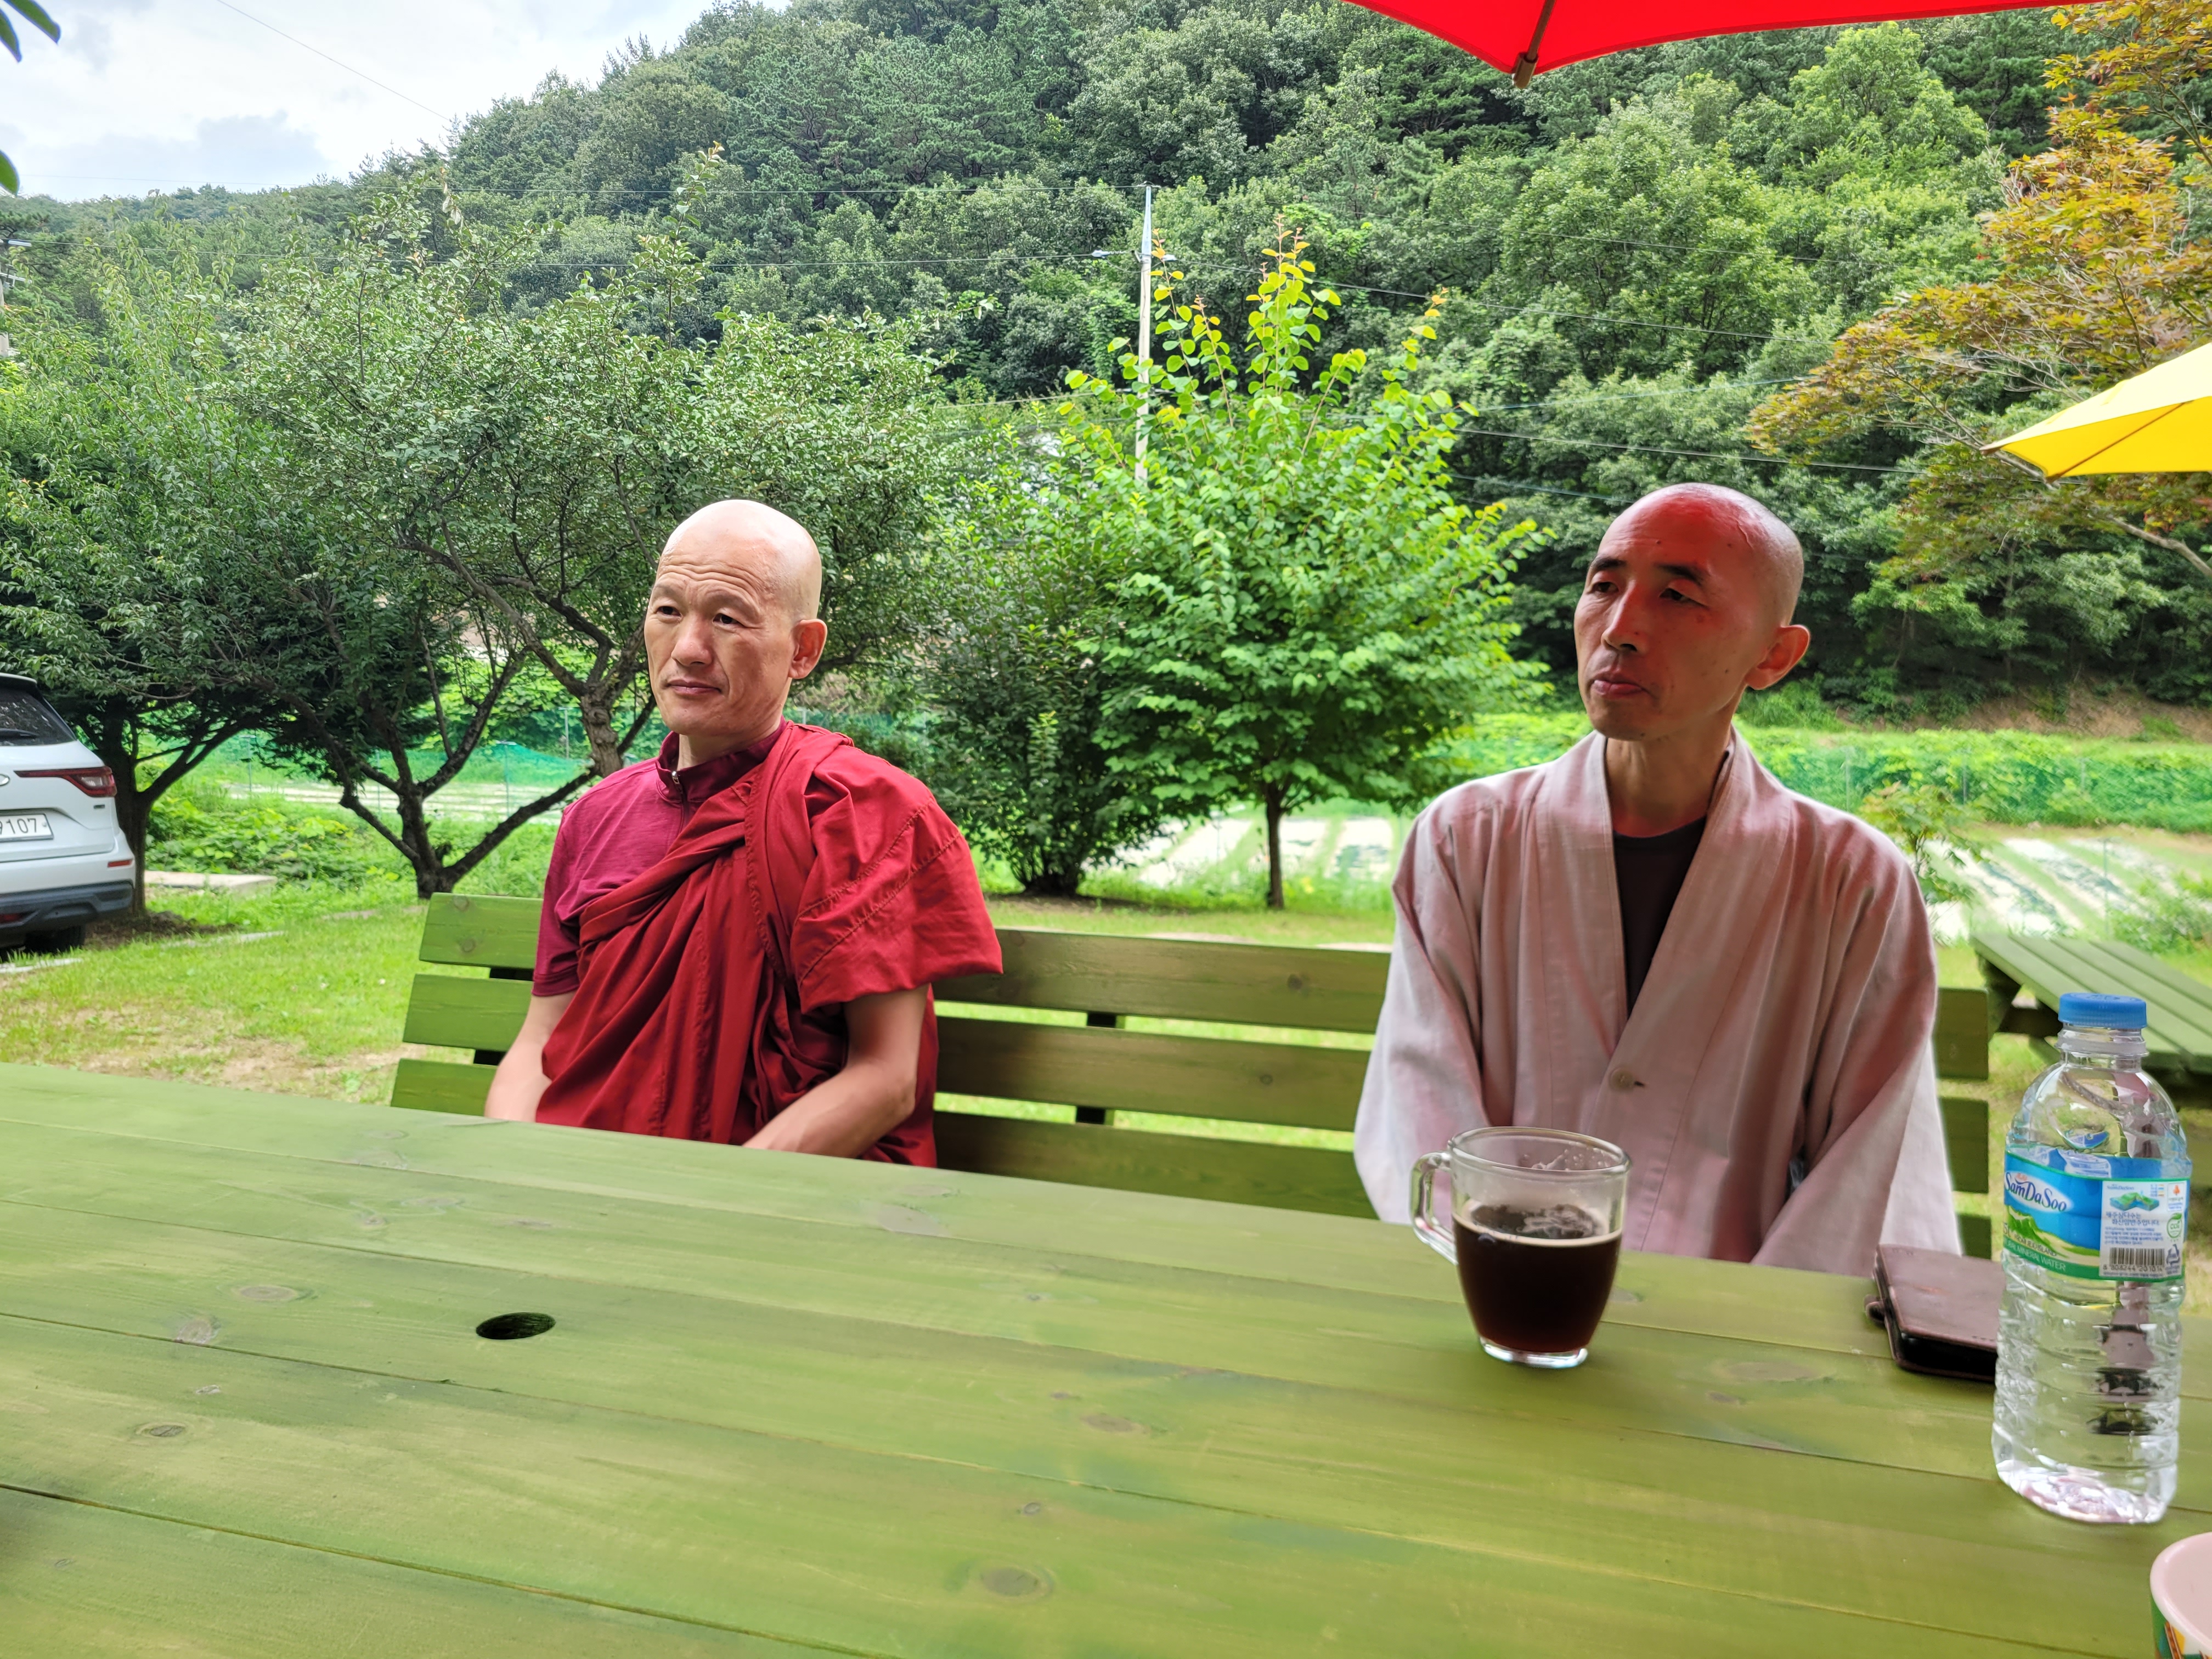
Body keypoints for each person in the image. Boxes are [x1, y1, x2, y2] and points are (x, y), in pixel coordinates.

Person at [1353, 483, 1956, 1274]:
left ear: (1774, 656)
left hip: (1735, 1324)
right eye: (1604, 586)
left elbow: (1867, 1175)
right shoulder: (1466, 840)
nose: (1620, 628)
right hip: (1498, 1292)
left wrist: (1739, 1332)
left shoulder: (1852, 882)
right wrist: (1515, 1283)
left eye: (1678, 596)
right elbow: (1421, 1104)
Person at [484, 499, 1001, 1163]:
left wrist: (712, 1198)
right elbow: (541, 1041)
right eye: (668, 611)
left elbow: (885, 1079)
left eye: (727, 619)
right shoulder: (595, 818)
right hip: (581, 1174)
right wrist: (513, 1165)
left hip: (780, 1194)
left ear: (803, 650)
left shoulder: (861, 811)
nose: (688, 649)